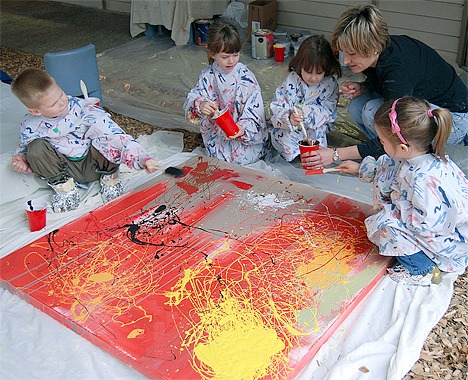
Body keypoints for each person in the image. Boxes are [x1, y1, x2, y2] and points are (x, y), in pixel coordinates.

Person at [302, 4, 468, 170]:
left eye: (352, 54)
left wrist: (335, 154)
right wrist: (364, 87)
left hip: (453, 119)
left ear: (373, 48)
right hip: (420, 101)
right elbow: (384, 81)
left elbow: (395, 130)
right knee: (358, 105)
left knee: (373, 112)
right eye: (343, 52)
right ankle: (387, 154)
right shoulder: (379, 50)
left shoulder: (398, 69)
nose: (345, 61)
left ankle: (398, 160)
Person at [338, 97, 468, 286]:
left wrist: (395, 214)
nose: (381, 145)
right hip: (430, 227)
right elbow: (388, 168)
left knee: (388, 227)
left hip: (445, 240)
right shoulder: (419, 156)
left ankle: (422, 268)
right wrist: (360, 168)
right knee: (387, 218)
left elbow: (429, 226)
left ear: (403, 147)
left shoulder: (424, 179)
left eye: (382, 141)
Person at [11, 68, 159, 213]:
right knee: (35, 148)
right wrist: (21, 160)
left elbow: (114, 134)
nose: (62, 102)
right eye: (53, 104)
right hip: (65, 170)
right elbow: (25, 148)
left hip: (94, 165)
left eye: (61, 94)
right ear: (36, 111)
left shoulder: (82, 109)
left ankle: (110, 180)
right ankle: (65, 190)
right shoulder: (30, 125)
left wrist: (141, 158)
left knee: (103, 135)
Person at [183, 20, 268, 166]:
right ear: (212, 53)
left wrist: (242, 130)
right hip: (217, 137)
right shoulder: (207, 76)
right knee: (218, 160)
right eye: (225, 57)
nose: (231, 61)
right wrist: (200, 104)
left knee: (240, 160)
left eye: (235, 55)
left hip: (243, 137)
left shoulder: (246, 78)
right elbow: (194, 98)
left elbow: (256, 112)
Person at [269, 35, 341, 162]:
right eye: (308, 71)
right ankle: (293, 156)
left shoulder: (330, 84)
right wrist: (289, 117)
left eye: (319, 73)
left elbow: (329, 111)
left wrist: (307, 114)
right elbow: (277, 107)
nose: (313, 78)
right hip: (291, 128)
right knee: (285, 140)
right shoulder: (291, 81)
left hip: (315, 127)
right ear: (300, 64)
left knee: (316, 147)